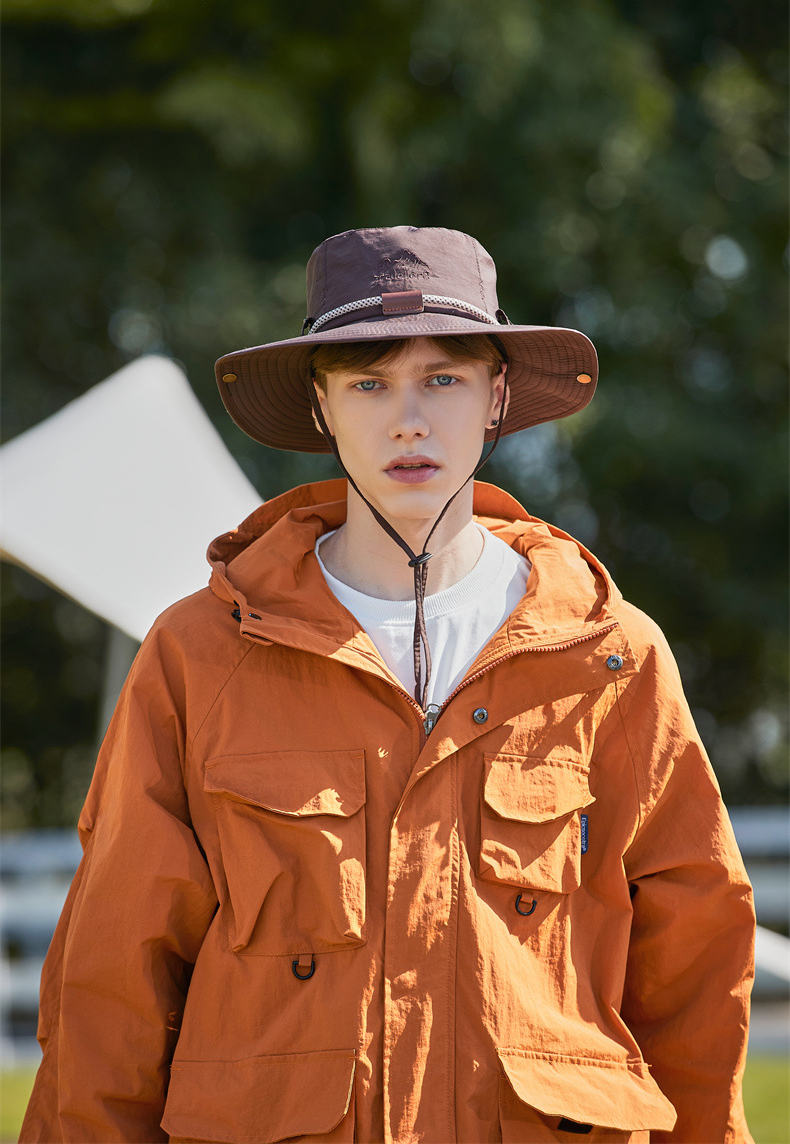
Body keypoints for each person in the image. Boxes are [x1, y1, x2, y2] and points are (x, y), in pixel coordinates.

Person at [21, 226, 755, 1144]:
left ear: (495, 395)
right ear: (322, 405)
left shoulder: (609, 656)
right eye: (369, 383)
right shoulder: (200, 654)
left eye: (442, 379)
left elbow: (696, 964)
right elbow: (111, 976)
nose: (409, 420)